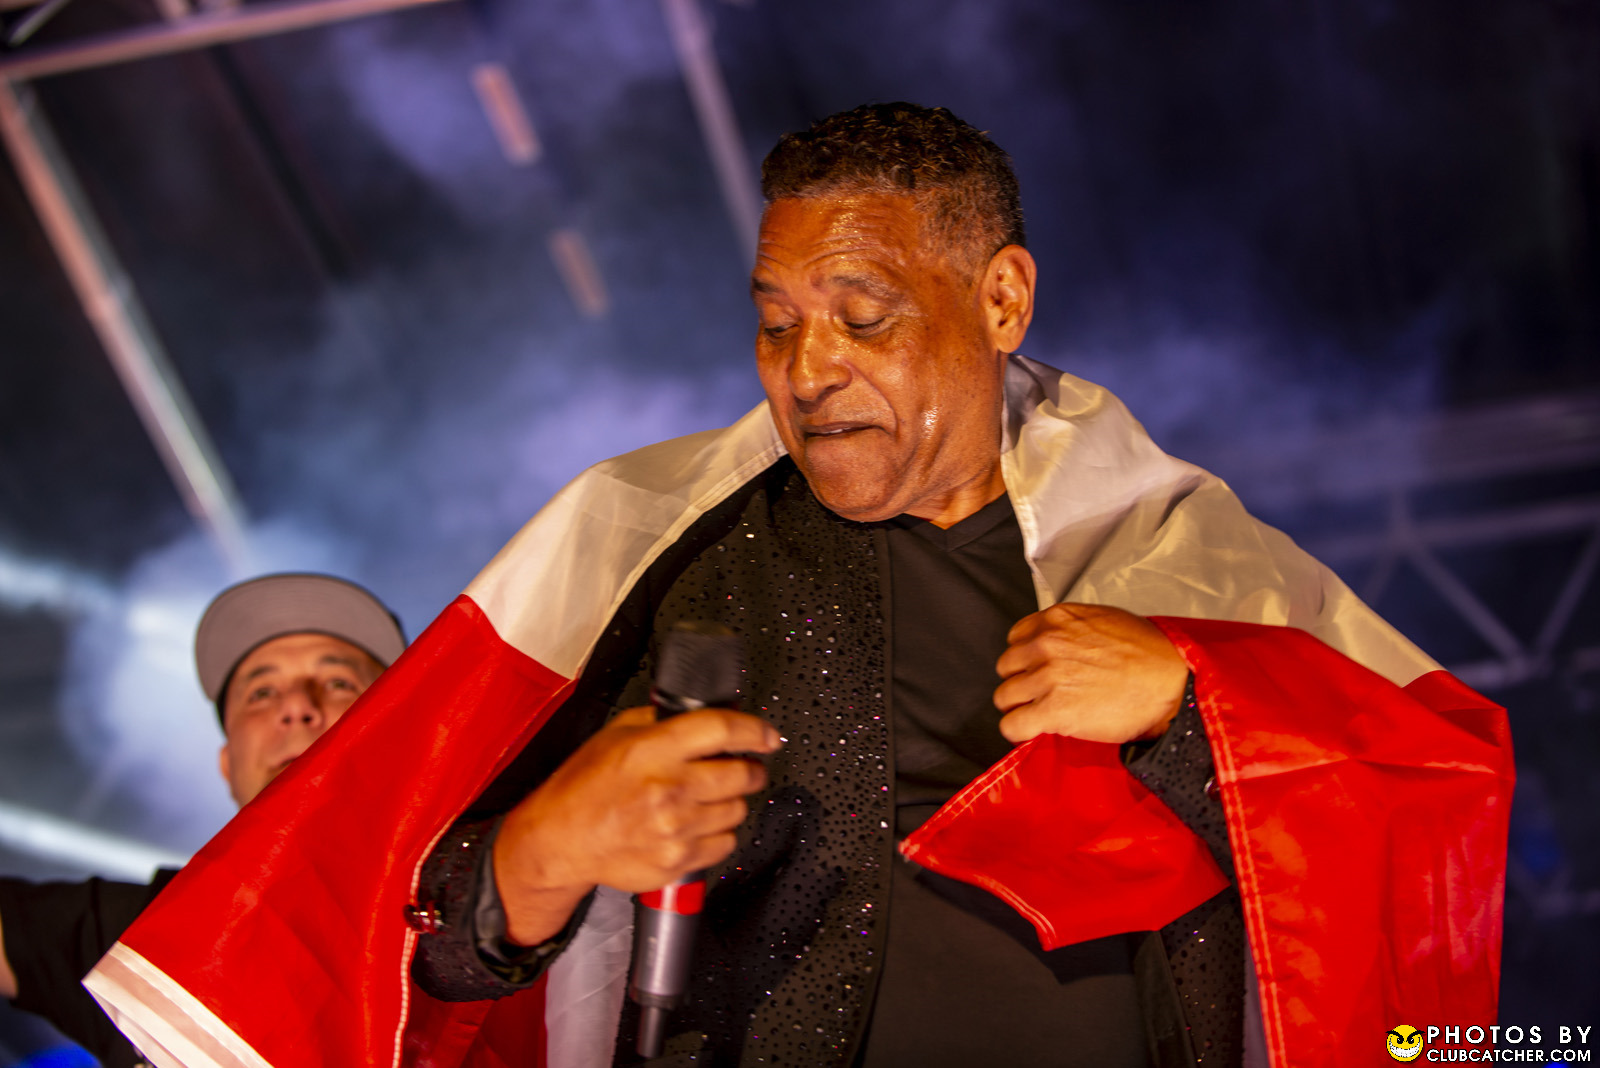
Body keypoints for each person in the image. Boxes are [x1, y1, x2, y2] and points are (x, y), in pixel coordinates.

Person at [85, 104, 1512, 1068]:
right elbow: (409, 938)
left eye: (861, 317)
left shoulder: (1176, 551)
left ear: (1001, 300)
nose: (808, 368)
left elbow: (1429, 799)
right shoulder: (661, 552)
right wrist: (539, 854)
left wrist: (1189, 702)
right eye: (774, 324)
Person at [0, 573, 405, 1068]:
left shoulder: (475, 908)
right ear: (227, 765)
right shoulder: (139, 936)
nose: (298, 705)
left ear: (408, 738)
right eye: (261, 692)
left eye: (339, 683)